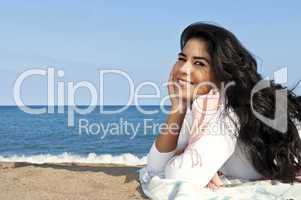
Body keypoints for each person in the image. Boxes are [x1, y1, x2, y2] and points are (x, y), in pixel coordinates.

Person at [145, 22, 301, 189]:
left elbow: (181, 176)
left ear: (221, 73)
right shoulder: (201, 107)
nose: (183, 68)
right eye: (182, 58)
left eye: (199, 63)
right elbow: (155, 166)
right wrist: (178, 109)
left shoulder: (228, 111)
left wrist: (189, 159)